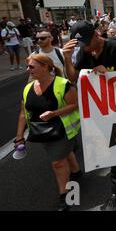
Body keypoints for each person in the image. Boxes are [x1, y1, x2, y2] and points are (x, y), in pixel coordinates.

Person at [62, 21, 116, 211]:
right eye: (82, 45)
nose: (86, 47)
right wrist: (66, 59)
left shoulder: (115, 48)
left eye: (88, 42)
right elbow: (73, 79)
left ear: (97, 34)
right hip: (101, 112)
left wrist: (111, 76)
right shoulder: (85, 51)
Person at [15, 54, 82, 211]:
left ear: (46, 66)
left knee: (57, 162)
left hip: (64, 130)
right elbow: (22, 114)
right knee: (63, 155)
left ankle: (66, 197)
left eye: (32, 67)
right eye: (27, 67)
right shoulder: (27, 88)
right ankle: (76, 172)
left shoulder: (63, 84)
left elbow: (75, 104)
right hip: (42, 133)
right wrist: (19, 137)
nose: (28, 70)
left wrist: (54, 113)